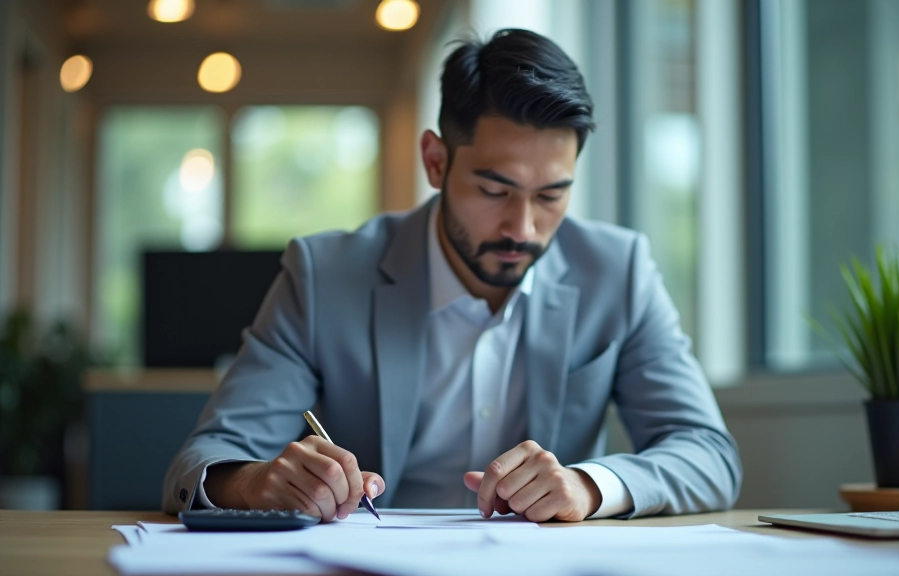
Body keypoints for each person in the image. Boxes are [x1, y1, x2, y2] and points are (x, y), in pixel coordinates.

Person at [164, 28, 741, 523]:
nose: (523, 226)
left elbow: (708, 454)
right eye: (495, 190)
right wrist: (256, 482)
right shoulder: (324, 276)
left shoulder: (618, 271)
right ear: (435, 161)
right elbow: (202, 462)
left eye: (551, 195)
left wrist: (589, 487)